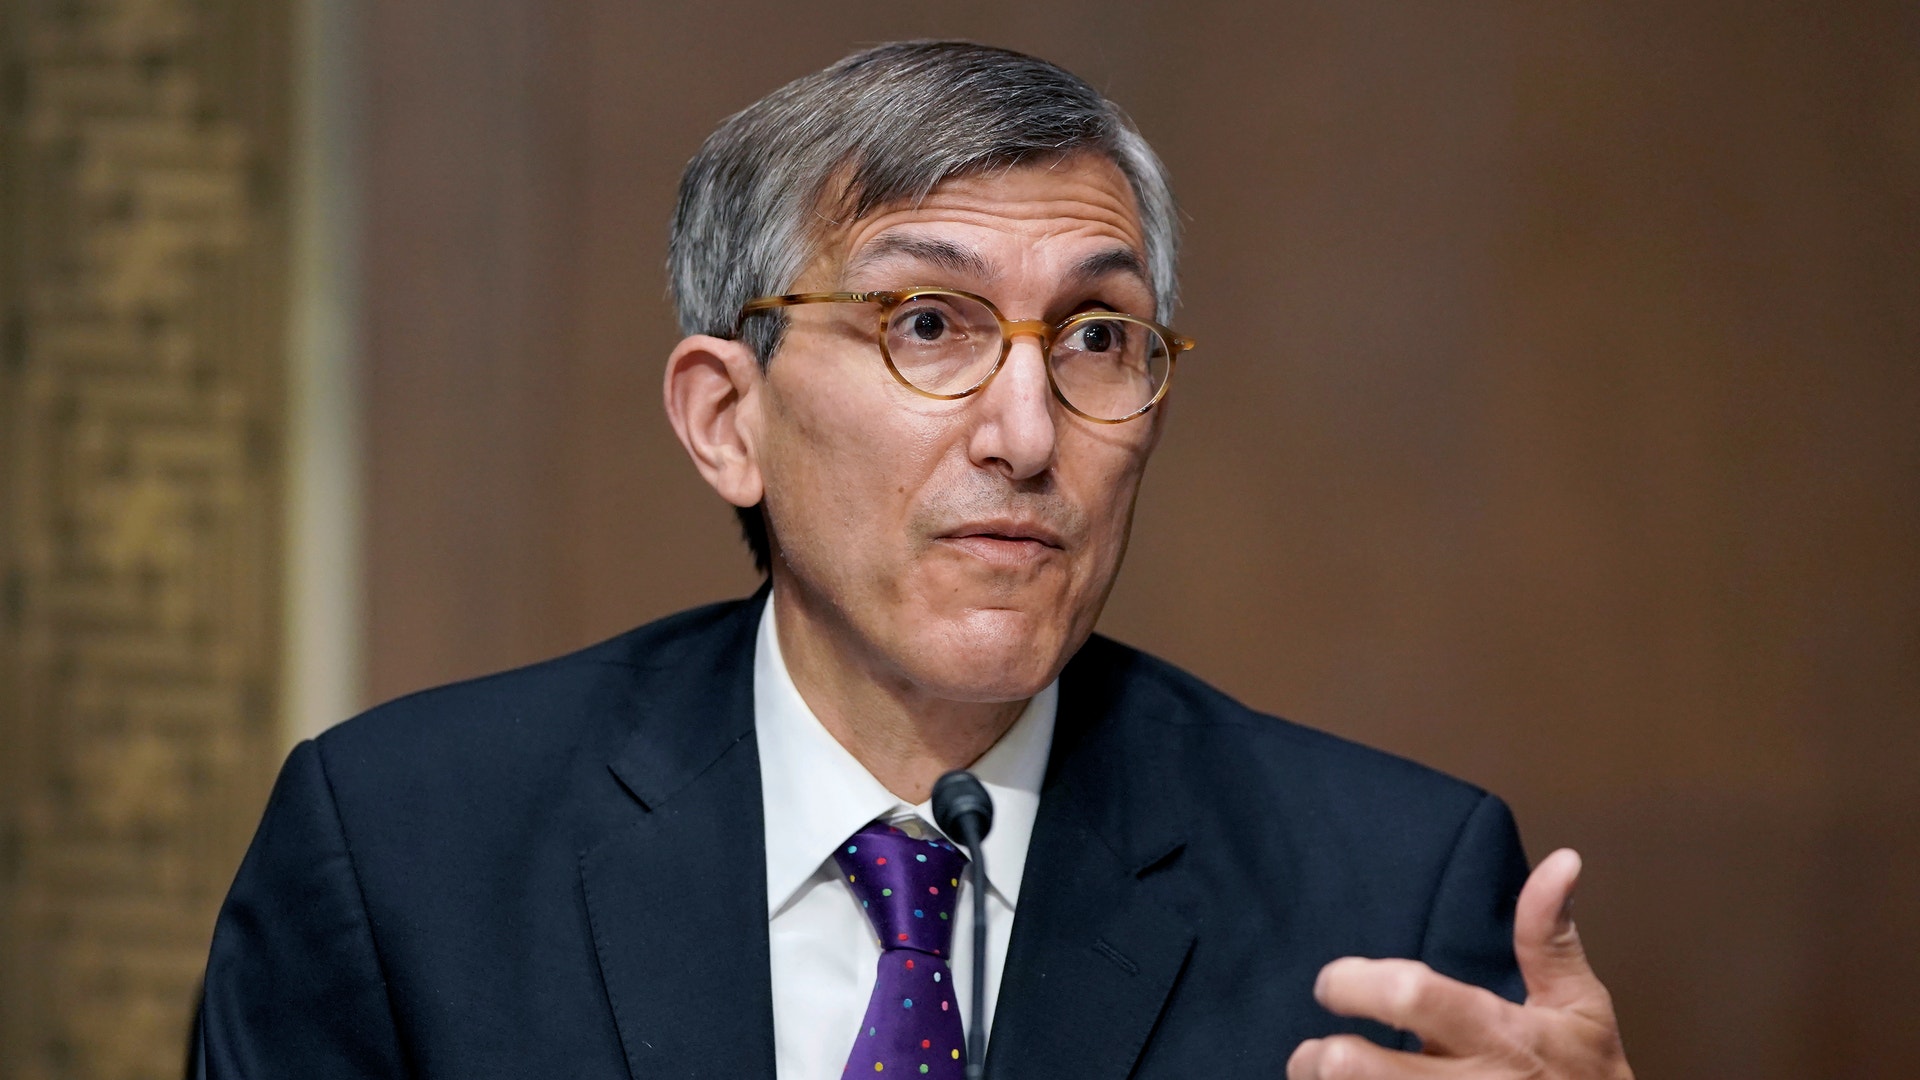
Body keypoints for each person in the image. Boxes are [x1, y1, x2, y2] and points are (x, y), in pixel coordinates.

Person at [196, 41, 1635, 1079]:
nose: (1028, 431)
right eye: (927, 325)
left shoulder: (1385, 896)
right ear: (728, 419)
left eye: (1096, 337)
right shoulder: (402, 853)